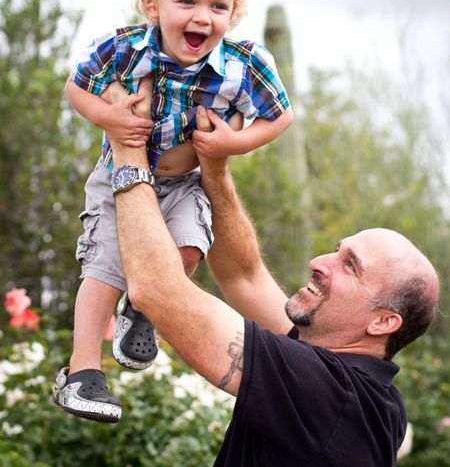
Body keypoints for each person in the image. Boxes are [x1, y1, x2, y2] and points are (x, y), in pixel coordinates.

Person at [90, 91, 438, 465]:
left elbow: (158, 291)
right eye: (336, 250)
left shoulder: (333, 397)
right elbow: (245, 275)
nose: (319, 262)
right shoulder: (360, 390)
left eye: (350, 266)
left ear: (383, 321)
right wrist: (214, 168)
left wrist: (126, 143)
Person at [52, 0, 293, 423]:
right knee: (104, 264)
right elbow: (76, 88)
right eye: (187, 1)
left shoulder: (243, 66)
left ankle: (141, 312)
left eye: (218, 6)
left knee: (189, 245)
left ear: (234, 13)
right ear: (152, 3)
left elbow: (280, 115)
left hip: (185, 183)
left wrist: (232, 145)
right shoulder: (122, 49)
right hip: (116, 176)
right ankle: (81, 372)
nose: (203, 17)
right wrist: (110, 118)